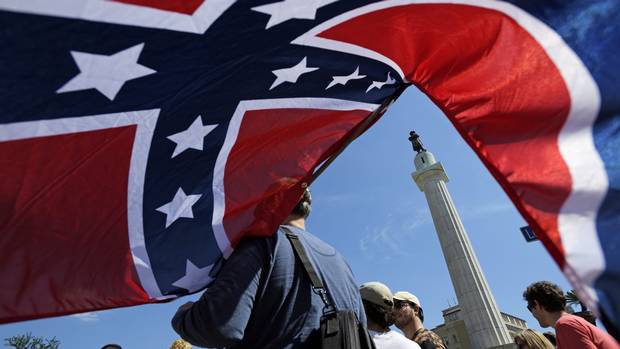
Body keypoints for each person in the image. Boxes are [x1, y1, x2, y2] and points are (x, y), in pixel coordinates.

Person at [172, 188, 366, 348]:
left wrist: (184, 315)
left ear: (270, 202)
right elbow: (360, 333)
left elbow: (217, 328)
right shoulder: (341, 262)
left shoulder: (262, 244)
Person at [523, 281, 620, 349]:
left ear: (537, 304)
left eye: (530, 308)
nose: (532, 314)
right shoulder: (571, 322)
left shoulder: (565, 325)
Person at [360, 282, 421, 349]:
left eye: (399, 305)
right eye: (394, 305)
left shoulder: (353, 339)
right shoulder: (411, 345)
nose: (395, 310)